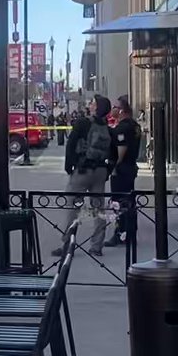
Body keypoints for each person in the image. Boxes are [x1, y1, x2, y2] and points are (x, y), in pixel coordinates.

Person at [52, 94, 115, 257]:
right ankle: (96, 246)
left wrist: (69, 166)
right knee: (98, 209)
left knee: (73, 208)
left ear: (96, 107)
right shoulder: (108, 128)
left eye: (92, 103)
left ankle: (68, 246)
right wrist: (107, 170)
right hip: (100, 171)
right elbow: (114, 154)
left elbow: (71, 144)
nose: (90, 104)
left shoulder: (82, 123)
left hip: (82, 170)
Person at [104, 95, 141, 247]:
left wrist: (114, 167)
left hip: (122, 169)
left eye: (115, 107)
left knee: (119, 203)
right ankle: (129, 234)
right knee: (128, 202)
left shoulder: (123, 128)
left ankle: (121, 234)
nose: (112, 109)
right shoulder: (134, 125)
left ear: (122, 111)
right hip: (130, 167)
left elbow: (121, 150)